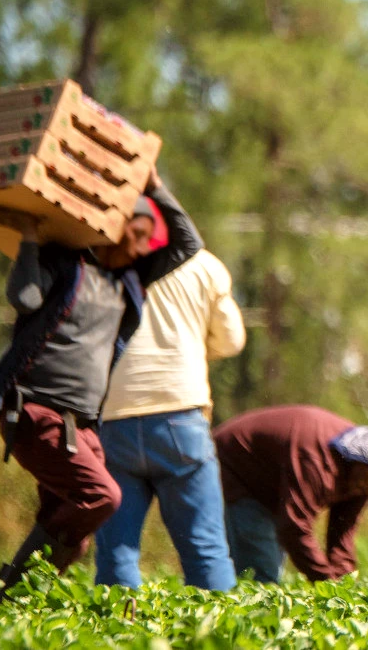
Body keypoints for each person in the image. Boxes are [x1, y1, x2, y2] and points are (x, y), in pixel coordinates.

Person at [0, 167, 202, 602]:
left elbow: (188, 244)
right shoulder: (65, 264)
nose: (142, 247)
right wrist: (29, 236)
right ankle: (9, 596)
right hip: (35, 412)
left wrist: (156, 185)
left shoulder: (130, 283)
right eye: (136, 233)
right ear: (110, 229)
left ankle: (10, 606)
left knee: (73, 533)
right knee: (101, 497)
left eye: (147, 239)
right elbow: (24, 299)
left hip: (81, 427)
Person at [92, 235, 247, 591]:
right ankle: (217, 639)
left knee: (117, 551)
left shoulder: (103, 260)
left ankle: (117, 638)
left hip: (115, 415)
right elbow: (232, 341)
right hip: (179, 415)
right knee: (205, 549)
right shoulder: (203, 264)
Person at [212, 405, 368, 583]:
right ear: (362, 460)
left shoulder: (361, 476)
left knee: (271, 568)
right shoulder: (317, 460)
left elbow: (342, 532)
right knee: (262, 575)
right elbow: (293, 527)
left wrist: (344, 587)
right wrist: (326, 582)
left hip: (273, 489)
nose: (366, 489)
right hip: (235, 469)